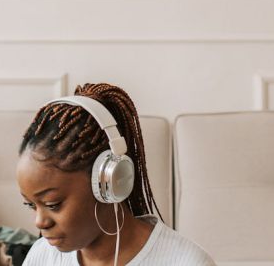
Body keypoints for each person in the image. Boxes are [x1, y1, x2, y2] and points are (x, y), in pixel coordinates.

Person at [17, 83, 214, 265]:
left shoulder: (187, 262)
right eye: (31, 205)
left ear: (108, 183)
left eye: (53, 204)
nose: (40, 222)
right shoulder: (42, 257)